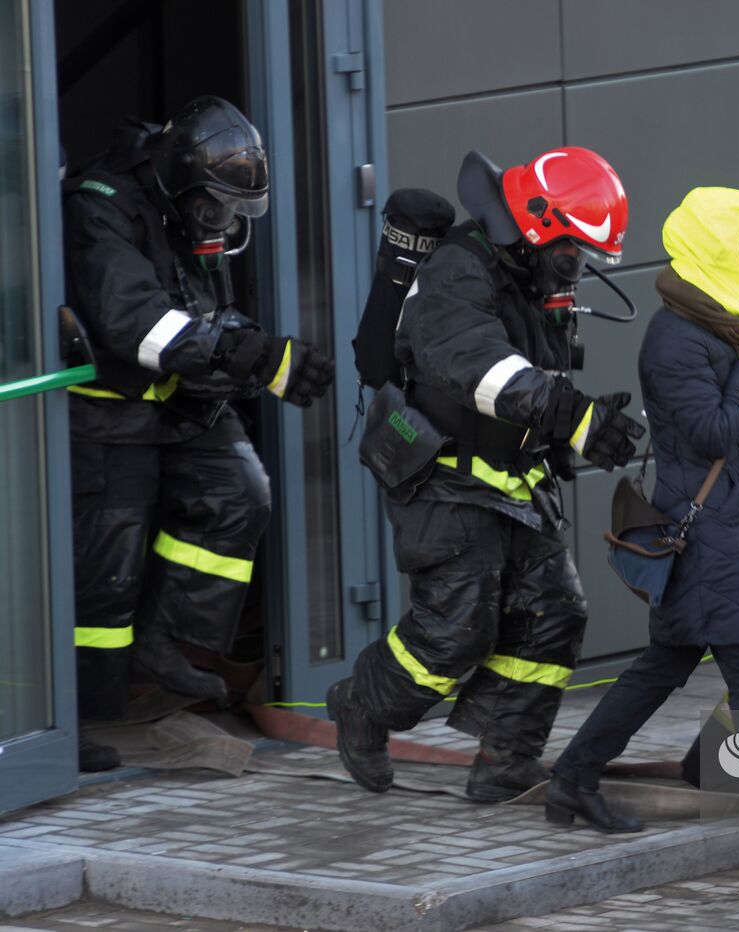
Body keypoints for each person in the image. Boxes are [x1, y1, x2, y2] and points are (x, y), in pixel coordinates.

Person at [546, 187, 739, 877]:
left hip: (722, 525)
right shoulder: (676, 338)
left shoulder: (723, 323)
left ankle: (573, 777)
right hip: (708, 529)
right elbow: (715, 430)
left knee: (662, 665)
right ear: (718, 250)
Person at [327, 147, 645, 803]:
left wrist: (569, 428)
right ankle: (363, 704)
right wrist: (570, 414)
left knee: (553, 613)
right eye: (571, 253)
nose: (577, 268)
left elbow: (537, 371)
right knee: (453, 633)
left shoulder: (531, 277)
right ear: (535, 227)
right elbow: (472, 360)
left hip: (513, 478)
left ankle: (505, 759)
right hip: (443, 475)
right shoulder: (456, 270)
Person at [63, 96, 334, 772]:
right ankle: (79, 723)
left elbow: (208, 309)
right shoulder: (98, 209)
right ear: (183, 179)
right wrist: (254, 360)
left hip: (179, 404)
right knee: (106, 578)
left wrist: (260, 363)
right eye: (218, 207)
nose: (225, 223)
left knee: (241, 493)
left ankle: (168, 646)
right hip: (108, 415)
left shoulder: (190, 205)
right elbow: (139, 326)